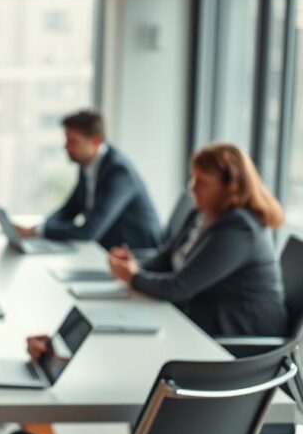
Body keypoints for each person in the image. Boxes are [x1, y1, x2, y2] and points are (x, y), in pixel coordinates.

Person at [108, 143, 287, 338]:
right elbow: (168, 257)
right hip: (202, 319)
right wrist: (133, 265)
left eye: (202, 182)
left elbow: (179, 288)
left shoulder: (239, 229)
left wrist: (133, 277)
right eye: (193, 178)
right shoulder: (202, 212)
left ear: (230, 188)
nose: (192, 188)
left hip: (238, 334)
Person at [13, 110, 161, 250]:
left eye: (73, 141)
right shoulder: (87, 165)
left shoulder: (119, 173)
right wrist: (39, 228)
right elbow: (69, 210)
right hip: (106, 249)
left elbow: (90, 230)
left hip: (135, 255)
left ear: (95, 141)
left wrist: (40, 231)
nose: (66, 147)